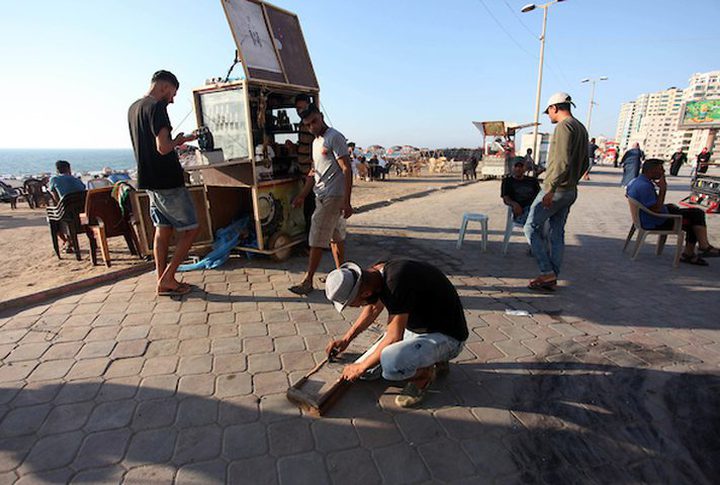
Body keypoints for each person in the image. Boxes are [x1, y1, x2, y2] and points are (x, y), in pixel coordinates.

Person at [324, 259, 468, 408]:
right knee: (368, 373)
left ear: (366, 292)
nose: (356, 307)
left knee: (392, 364)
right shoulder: (376, 274)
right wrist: (347, 339)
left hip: (449, 336)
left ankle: (425, 375)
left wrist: (360, 367)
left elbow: (394, 338)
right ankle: (431, 357)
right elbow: (373, 309)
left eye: (353, 303)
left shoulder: (396, 282)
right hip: (419, 329)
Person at [128, 70, 199, 297]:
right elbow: (163, 147)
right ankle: (168, 277)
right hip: (167, 180)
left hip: (148, 181)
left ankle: (162, 280)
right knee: (191, 229)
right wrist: (181, 140)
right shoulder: (157, 108)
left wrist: (177, 140)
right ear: (165, 87)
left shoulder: (133, 108)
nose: (172, 100)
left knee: (163, 229)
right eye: (173, 94)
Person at [523, 92, 588, 291]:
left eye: (548, 112)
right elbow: (585, 162)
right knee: (557, 232)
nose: (549, 116)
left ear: (555, 108)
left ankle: (546, 271)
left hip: (556, 189)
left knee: (530, 227)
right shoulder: (581, 127)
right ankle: (552, 275)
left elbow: (561, 161)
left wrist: (550, 189)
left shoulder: (563, 126)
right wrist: (571, 182)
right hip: (570, 190)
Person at [289, 104, 353, 295]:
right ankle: (343, 275)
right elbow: (313, 171)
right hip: (322, 195)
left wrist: (347, 201)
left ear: (321, 116)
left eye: (314, 122)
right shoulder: (315, 142)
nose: (312, 127)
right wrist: (302, 195)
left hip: (332, 197)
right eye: (308, 125)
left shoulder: (334, 137)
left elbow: (347, 169)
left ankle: (308, 281)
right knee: (336, 237)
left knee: (316, 239)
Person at [627, 159, 720, 265]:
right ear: (652, 171)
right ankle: (701, 247)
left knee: (693, 213)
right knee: (695, 216)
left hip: (645, 216)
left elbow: (646, 203)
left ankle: (692, 253)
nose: (663, 172)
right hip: (656, 221)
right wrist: (663, 189)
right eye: (661, 169)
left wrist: (666, 207)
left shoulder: (636, 181)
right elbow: (656, 209)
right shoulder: (644, 186)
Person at [48, 160, 87, 253]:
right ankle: (70, 242)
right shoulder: (76, 180)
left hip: (68, 214)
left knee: (54, 218)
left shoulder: (54, 180)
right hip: (83, 214)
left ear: (57, 170)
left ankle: (67, 241)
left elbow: (56, 200)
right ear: (69, 169)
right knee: (68, 212)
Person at [502, 160, 541, 225]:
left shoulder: (533, 181)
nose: (518, 169)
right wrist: (514, 204)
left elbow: (540, 195)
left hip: (534, 208)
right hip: (521, 210)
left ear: (525, 168)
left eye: (521, 166)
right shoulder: (507, 181)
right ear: (512, 168)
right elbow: (506, 198)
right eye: (516, 166)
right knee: (533, 223)